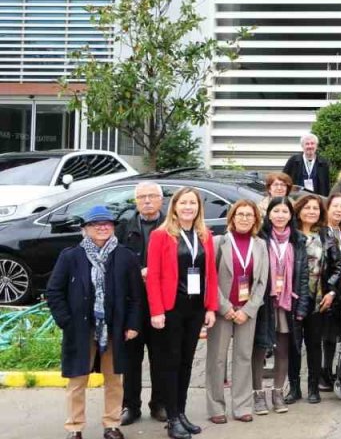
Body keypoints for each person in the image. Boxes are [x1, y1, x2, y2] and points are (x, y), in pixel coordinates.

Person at [47, 205, 142, 439]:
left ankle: (111, 424)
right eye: (95, 224)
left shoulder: (125, 256)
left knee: (114, 380)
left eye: (107, 223)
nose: (102, 227)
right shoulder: (70, 256)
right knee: (77, 380)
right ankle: (75, 428)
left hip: (115, 329)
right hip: (80, 329)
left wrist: (132, 324)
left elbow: (136, 296)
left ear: (113, 228)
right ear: (85, 229)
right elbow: (54, 291)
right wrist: (66, 322)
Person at [146, 188, 218, 439]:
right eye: (183, 203)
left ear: (199, 208)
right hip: (171, 308)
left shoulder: (205, 235)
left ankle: (182, 412)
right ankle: (172, 417)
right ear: (174, 206)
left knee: (187, 362)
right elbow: (152, 276)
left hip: (195, 308)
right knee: (171, 362)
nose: (188, 207)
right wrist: (156, 310)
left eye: (193, 203)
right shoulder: (160, 235)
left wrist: (211, 307)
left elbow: (211, 274)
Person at [206, 200, 268, 424]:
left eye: (249, 215)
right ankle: (215, 406)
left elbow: (262, 282)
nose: (244, 218)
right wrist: (225, 307)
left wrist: (249, 309)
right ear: (232, 218)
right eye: (240, 214)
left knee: (243, 358)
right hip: (223, 309)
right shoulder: (218, 242)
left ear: (255, 219)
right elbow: (209, 278)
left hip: (246, 311)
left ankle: (242, 406)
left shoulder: (260, 245)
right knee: (217, 359)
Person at [252, 197, 311, 416]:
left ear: (291, 215)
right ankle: (258, 393)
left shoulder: (298, 240)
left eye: (284, 211)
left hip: (288, 303)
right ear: (268, 214)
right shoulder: (260, 238)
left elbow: (303, 276)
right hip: (263, 302)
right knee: (259, 348)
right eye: (275, 211)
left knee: (283, 350)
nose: (280, 215)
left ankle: (277, 392)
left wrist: (302, 307)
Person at [119, 182, 165, 427]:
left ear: (161, 199)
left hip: (162, 304)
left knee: (160, 357)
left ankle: (159, 403)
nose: (147, 201)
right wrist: (139, 273)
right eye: (142, 197)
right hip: (132, 303)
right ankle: (130, 406)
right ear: (136, 201)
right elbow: (116, 264)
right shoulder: (125, 228)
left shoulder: (171, 226)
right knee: (131, 359)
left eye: (152, 196)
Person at [289, 195, 341, 404]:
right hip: (294, 298)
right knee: (293, 345)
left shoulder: (325, 234)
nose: (311, 212)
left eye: (316, 209)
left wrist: (331, 292)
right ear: (299, 210)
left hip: (319, 299)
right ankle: (294, 388)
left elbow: (338, 267)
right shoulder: (290, 235)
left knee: (313, 345)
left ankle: (313, 388)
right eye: (307, 208)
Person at [320, 194, 341, 387]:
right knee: (326, 334)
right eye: (335, 206)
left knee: (334, 332)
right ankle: (323, 372)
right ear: (327, 208)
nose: (339, 210)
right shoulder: (323, 231)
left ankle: (330, 370)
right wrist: (330, 288)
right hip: (327, 287)